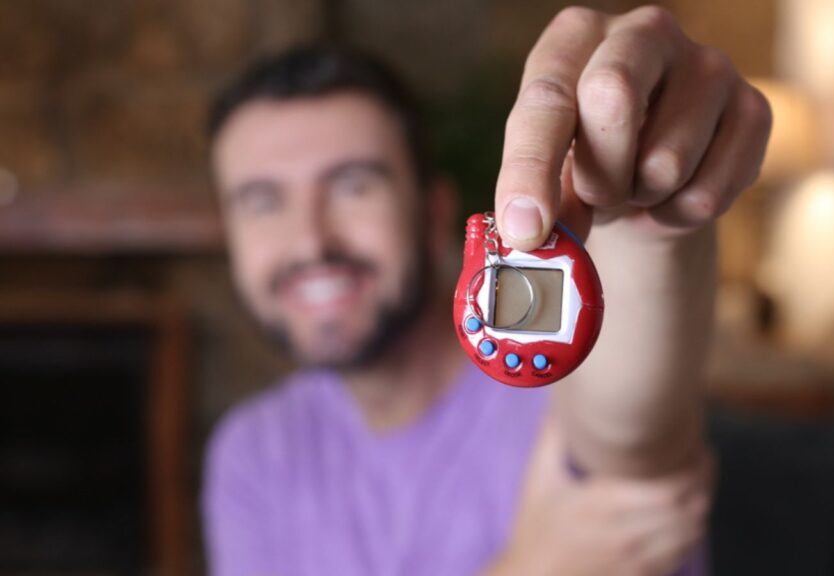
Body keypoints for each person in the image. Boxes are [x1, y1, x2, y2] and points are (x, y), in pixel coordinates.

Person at [203, 5, 771, 575]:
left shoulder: (551, 394)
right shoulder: (253, 453)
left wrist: (643, 213)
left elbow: (627, 419)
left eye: (353, 186)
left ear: (434, 214)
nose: (310, 241)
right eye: (262, 202)